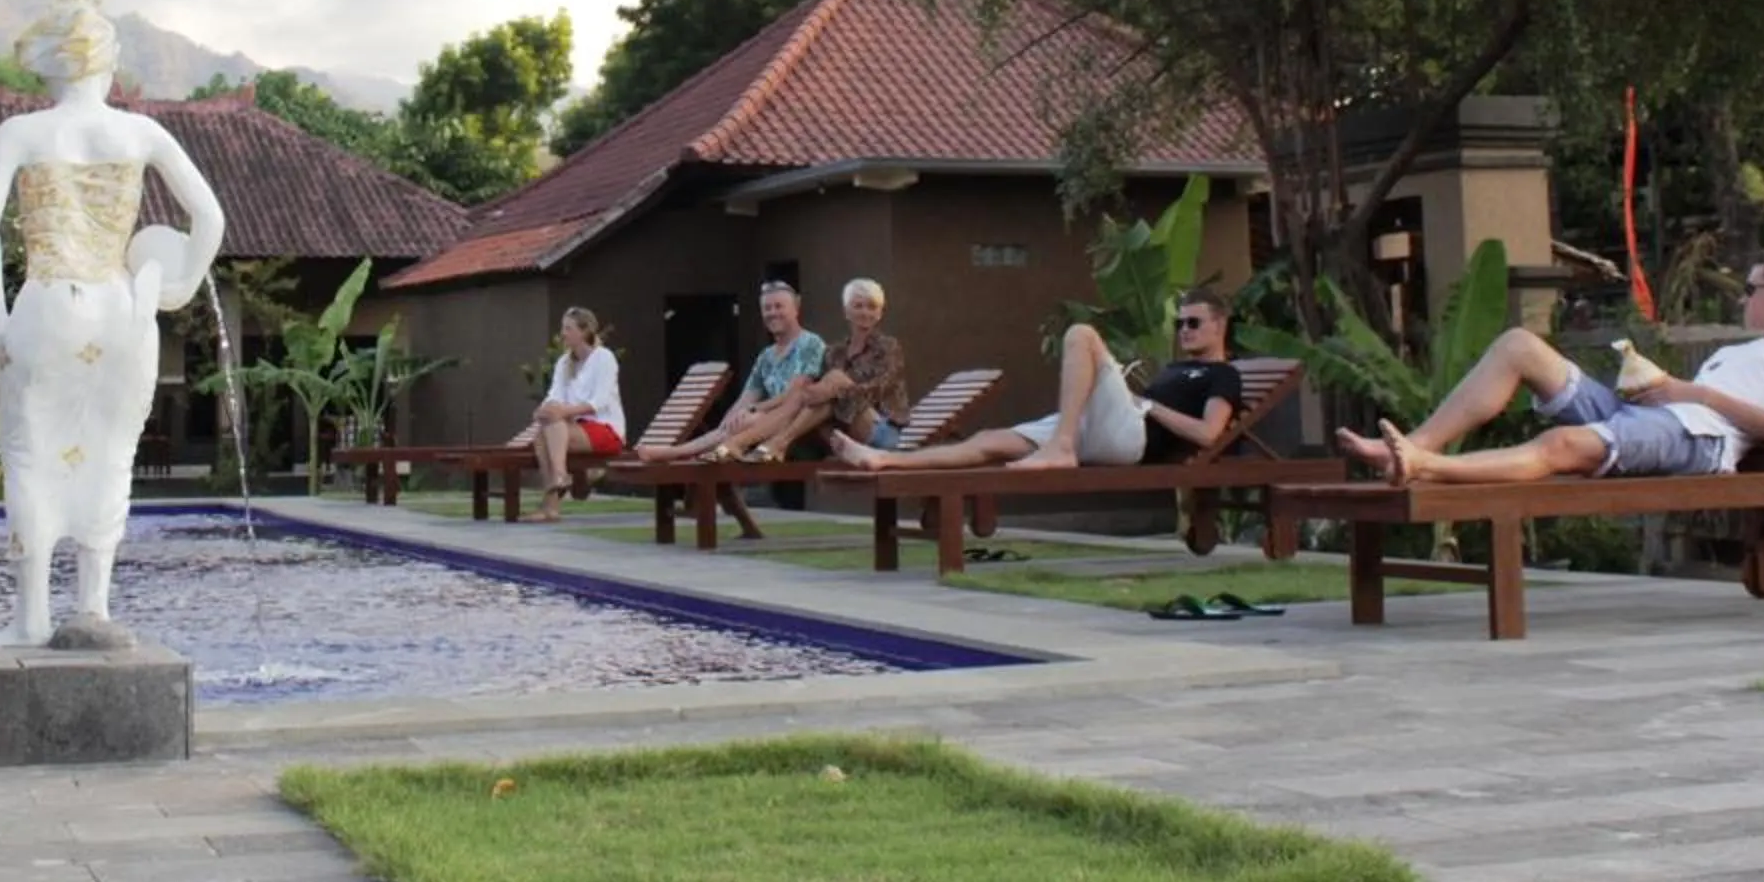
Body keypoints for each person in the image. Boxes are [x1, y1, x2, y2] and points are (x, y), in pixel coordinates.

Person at [0, 0, 226, 645]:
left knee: (30, 454)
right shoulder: (140, 133)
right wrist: (180, 282)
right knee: (111, 456)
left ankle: (31, 620)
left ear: (52, 68)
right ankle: (94, 610)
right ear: (106, 69)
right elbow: (210, 218)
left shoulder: (20, 134)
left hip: (48, 303)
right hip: (123, 309)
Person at [1337, 250, 1764, 485]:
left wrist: (1694, 393)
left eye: (1750, 289)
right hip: (1657, 418)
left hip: (1699, 441)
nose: (1742, 299)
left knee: (1561, 446)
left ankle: (1427, 467)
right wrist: (1657, 388)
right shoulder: (1734, 352)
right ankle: (1415, 445)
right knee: (1518, 345)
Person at [827, 289, 1241, 474]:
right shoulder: (1174, 368)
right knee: (990, 441)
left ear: (1220, 324)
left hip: (1131, 437)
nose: (1184, 329)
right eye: (1181, 322)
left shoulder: (1223, 375)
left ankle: (1059, 448)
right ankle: (883, 460)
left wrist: (1149, 406)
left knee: (1081, 334)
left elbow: (1208, 434)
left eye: (1194, 322)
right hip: (1099, 427)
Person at [642, 280, 828, 462]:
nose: (772, 313)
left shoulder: (810, 344)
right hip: (765, 426)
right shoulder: (767, 356)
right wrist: (731, 419)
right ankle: (684, 452)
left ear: (796, 308)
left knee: (749, 419)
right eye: (767, 308)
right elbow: (747, 397)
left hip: (800, 427)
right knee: (739, 419)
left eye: (779, 306)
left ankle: (677, 453)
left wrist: (753, 409)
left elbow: (795, 395)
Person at [529, 307, 624, 521]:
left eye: (568, 328)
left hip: (605, 429)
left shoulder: (604, 358)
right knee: (542, 434)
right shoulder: (564, 362)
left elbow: (599, 401)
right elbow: (554, 394)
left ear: (584, 332)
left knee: (553, 424)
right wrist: (545, 409)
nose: (563, 333)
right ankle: (552, 505)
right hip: (573, 428)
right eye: (563, 328)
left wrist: (563, 411)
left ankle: (557, 486)